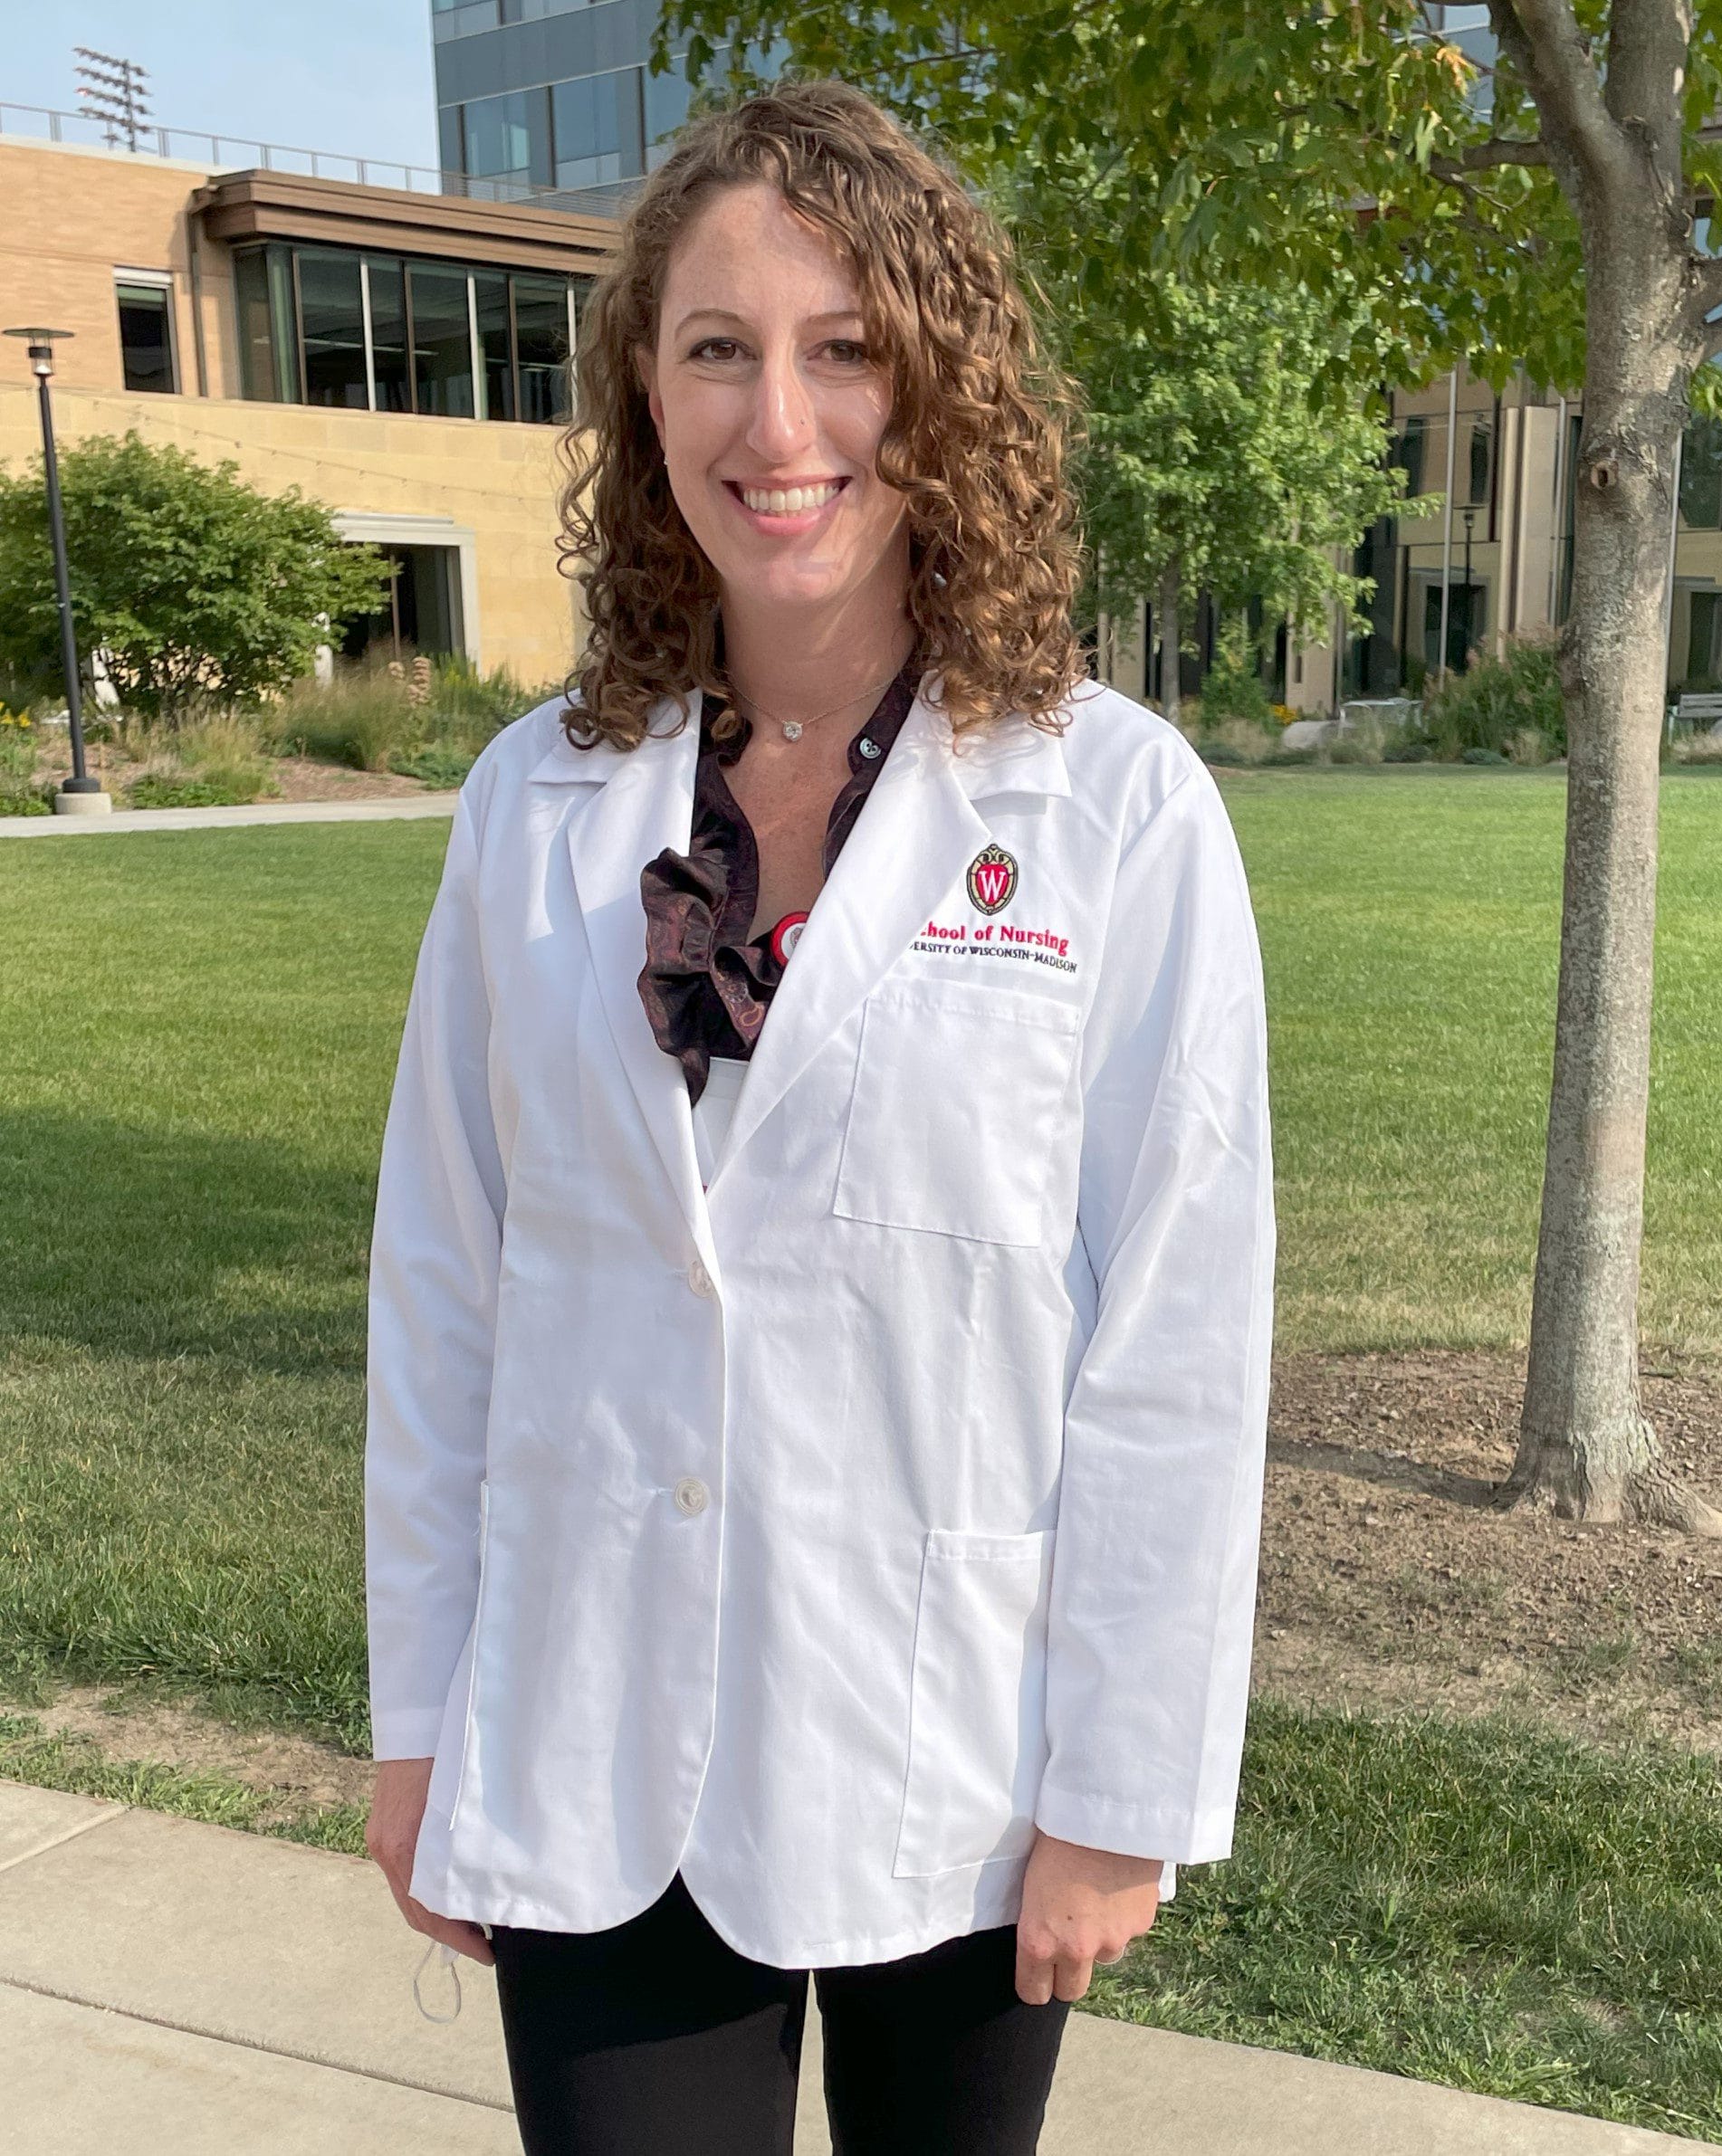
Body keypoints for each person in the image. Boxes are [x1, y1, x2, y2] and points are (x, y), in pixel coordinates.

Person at [363, 79, 1276, 2156]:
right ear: (641, 397)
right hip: (584, 1738)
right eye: (716, 350)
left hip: (944, 1750)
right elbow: (446, 1283)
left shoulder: (1109, 810)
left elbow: (1174, 1342)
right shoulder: (532, 804)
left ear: (939, 388)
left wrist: (1118, 1797)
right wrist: (423, 1724)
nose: (779, 426)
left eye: (844, 348)